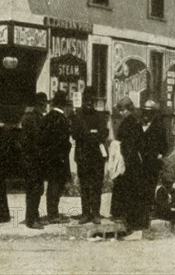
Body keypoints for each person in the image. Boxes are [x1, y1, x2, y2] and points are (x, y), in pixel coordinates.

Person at [71, 87, 109, 224]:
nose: (88, 103)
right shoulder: (77, 116)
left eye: (91, 100)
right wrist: (92, 134)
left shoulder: (100, 116)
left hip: (97, 157)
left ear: (94, 101)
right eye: (86, 100)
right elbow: (75, 134)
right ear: (83, 100)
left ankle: (96, 213)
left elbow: (104, 133)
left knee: (97, 185)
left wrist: (90, 135)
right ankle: (85, 213)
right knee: (85, 185)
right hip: (83, 156)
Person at [116, 96, 147, 233]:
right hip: (135, 160)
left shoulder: (126, 123)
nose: (121, 113)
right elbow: (141, 143)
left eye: (122, 110)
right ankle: (137, 221)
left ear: (127, 109)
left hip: (128, 160)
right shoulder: (136, 122)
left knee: (129, 191)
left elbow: (126, 144)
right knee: (135, 191)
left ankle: (131, 222)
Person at [39, 91, 72, 223]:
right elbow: (63, 141)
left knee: (53, 184)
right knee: (56, 186)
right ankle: (53, 214)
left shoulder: (48, 117)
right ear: (63, 104)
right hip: (60, 158)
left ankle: (52, 212)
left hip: (50, 157)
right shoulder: (61, 118)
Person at [19, 92, 48, 229]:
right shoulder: (34, 118)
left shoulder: (30, 117)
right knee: (34, 190)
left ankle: (33, 216)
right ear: (38, 105)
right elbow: (36, 140)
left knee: (36, 189)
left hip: (34, 160)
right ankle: (31, 219)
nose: (45, 107)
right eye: (43, 105)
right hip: (33, 160)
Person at [141, 99, 168, 228]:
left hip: (152, 162)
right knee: (142, 187)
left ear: (154, 113)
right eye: (145, 112)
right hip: (141, 161)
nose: (146, 114)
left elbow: (164, 145)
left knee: (150, 186)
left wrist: (160, 154)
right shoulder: (140, 124)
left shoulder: (159, 126)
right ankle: (143, 212)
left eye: (149, 112)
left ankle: (150, 212)